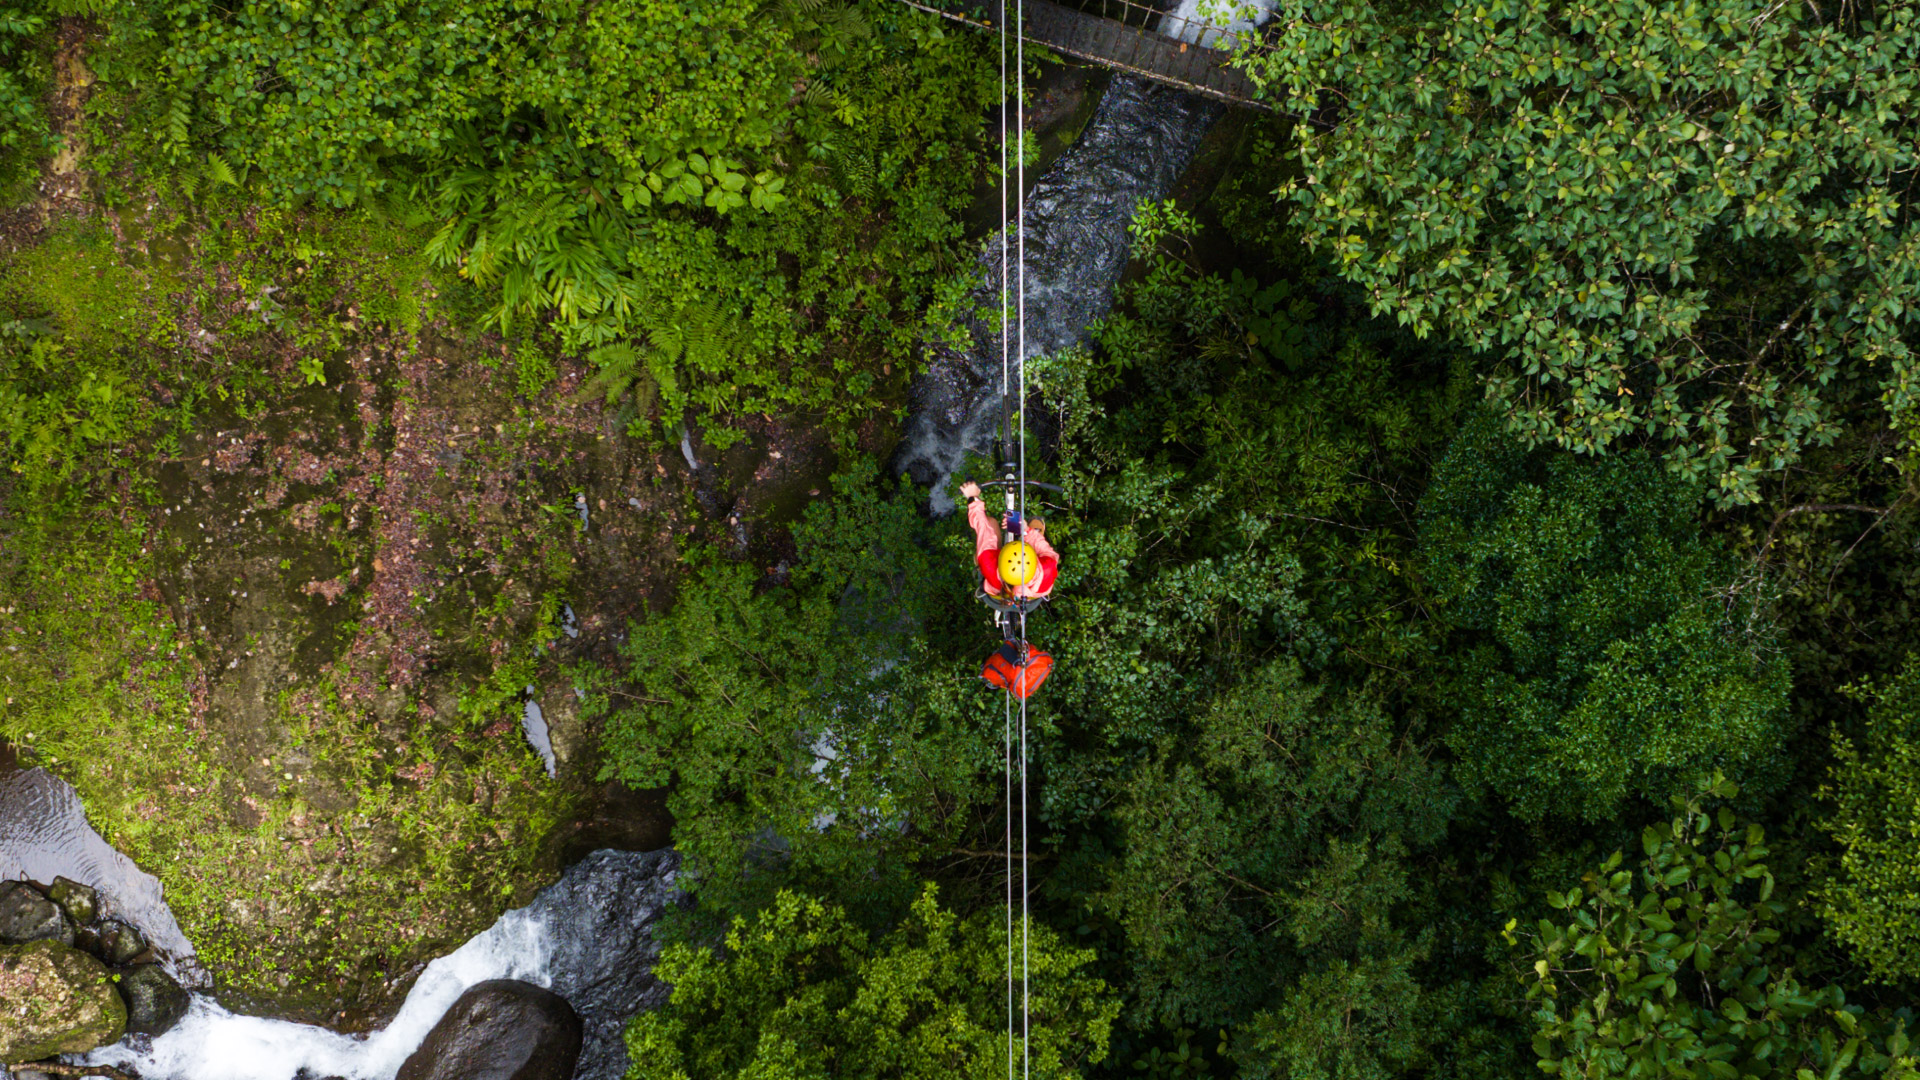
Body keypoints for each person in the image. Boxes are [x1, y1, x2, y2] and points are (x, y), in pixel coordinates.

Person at [959, 480, 1059, 601]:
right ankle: (1030, 533)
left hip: (997, 587)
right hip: (1034, 591)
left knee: (990, 523)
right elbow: (1047, 551)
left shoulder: (988, 563)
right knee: (1036, 533)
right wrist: (1026, 530)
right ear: (1034, 562)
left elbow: (983, 528)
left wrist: (973, 497)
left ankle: (982, 556)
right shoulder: (1047, 567)